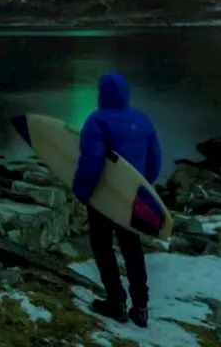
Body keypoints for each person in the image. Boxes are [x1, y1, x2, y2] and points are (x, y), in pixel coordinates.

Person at [72, 72, 162, 328]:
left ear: (102, 93)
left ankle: (116, 301)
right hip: (133, 197)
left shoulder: (96, 121)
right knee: (132, 247)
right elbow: (155, 160)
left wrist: (82, 192)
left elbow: (91, 161)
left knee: (102, 246)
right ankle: (141, 306)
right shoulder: (142, 119)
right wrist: (144, 188)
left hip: (104, 197)